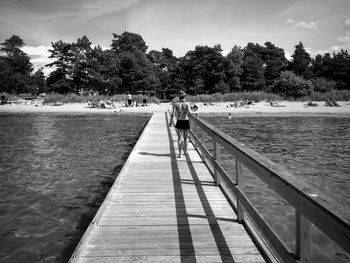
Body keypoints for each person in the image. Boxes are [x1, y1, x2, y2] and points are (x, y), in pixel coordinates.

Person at [170, 91, 192, 158]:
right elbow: (190, 113)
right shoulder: (187, 104)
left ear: (179, 97)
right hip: (186, 120)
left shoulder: (175, 104)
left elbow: (173, 114)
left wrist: (170, 122)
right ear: (185, 97)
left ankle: (180, 154)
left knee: (180, 138)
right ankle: (185, 152)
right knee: (185, 138)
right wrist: (196, 112)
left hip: (179, 121)